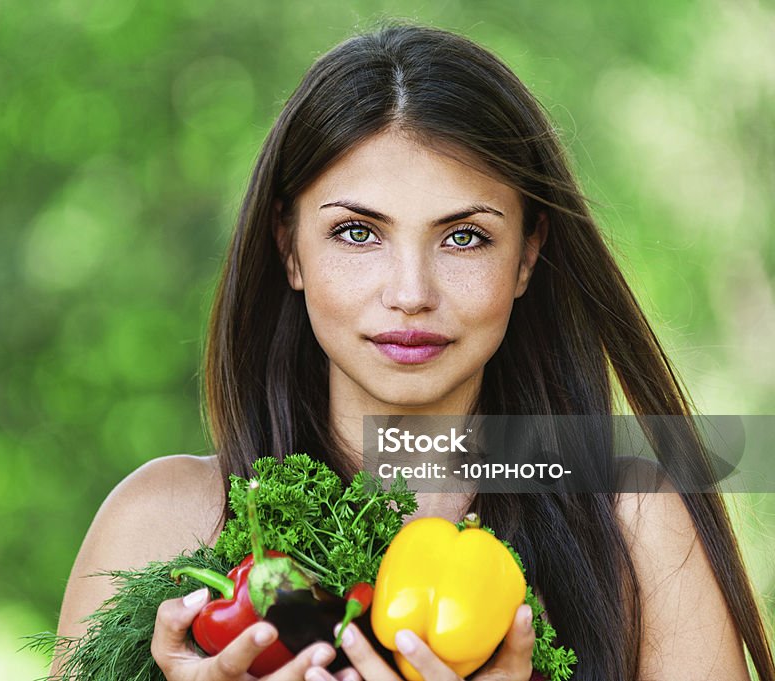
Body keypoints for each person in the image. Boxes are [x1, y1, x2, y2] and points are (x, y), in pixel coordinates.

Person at [53, 24, 775, 681]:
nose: (411, 292)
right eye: (358, 233)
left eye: (464, 236)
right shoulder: (159, 522)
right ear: (289, 246)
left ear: (527, 256)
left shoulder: (636, 519)